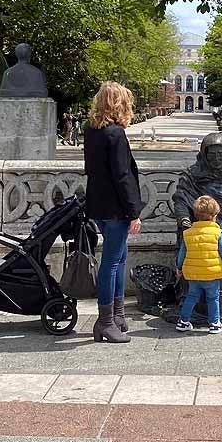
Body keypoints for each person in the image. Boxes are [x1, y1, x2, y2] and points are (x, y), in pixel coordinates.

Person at [83, 81, 143, 343]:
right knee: (111, 263)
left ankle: (116, 315)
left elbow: (93, 170)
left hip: (98, 205)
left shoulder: (92, 130)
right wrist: (133, 212)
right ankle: (105, 321)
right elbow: (122, 176)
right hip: (116, 208)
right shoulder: (115, 134)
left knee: (118, 258)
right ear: (121, 104)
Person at [174, 195, 222, 334]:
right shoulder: (217, 233)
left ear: (195, 214)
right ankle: (214, 323)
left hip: (193, 274)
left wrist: (179, 268)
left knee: (191, 297)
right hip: (211, 274)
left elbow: (182, 254)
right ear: (215, 215)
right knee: (213, 298)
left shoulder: (188, 233)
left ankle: (183, 321)